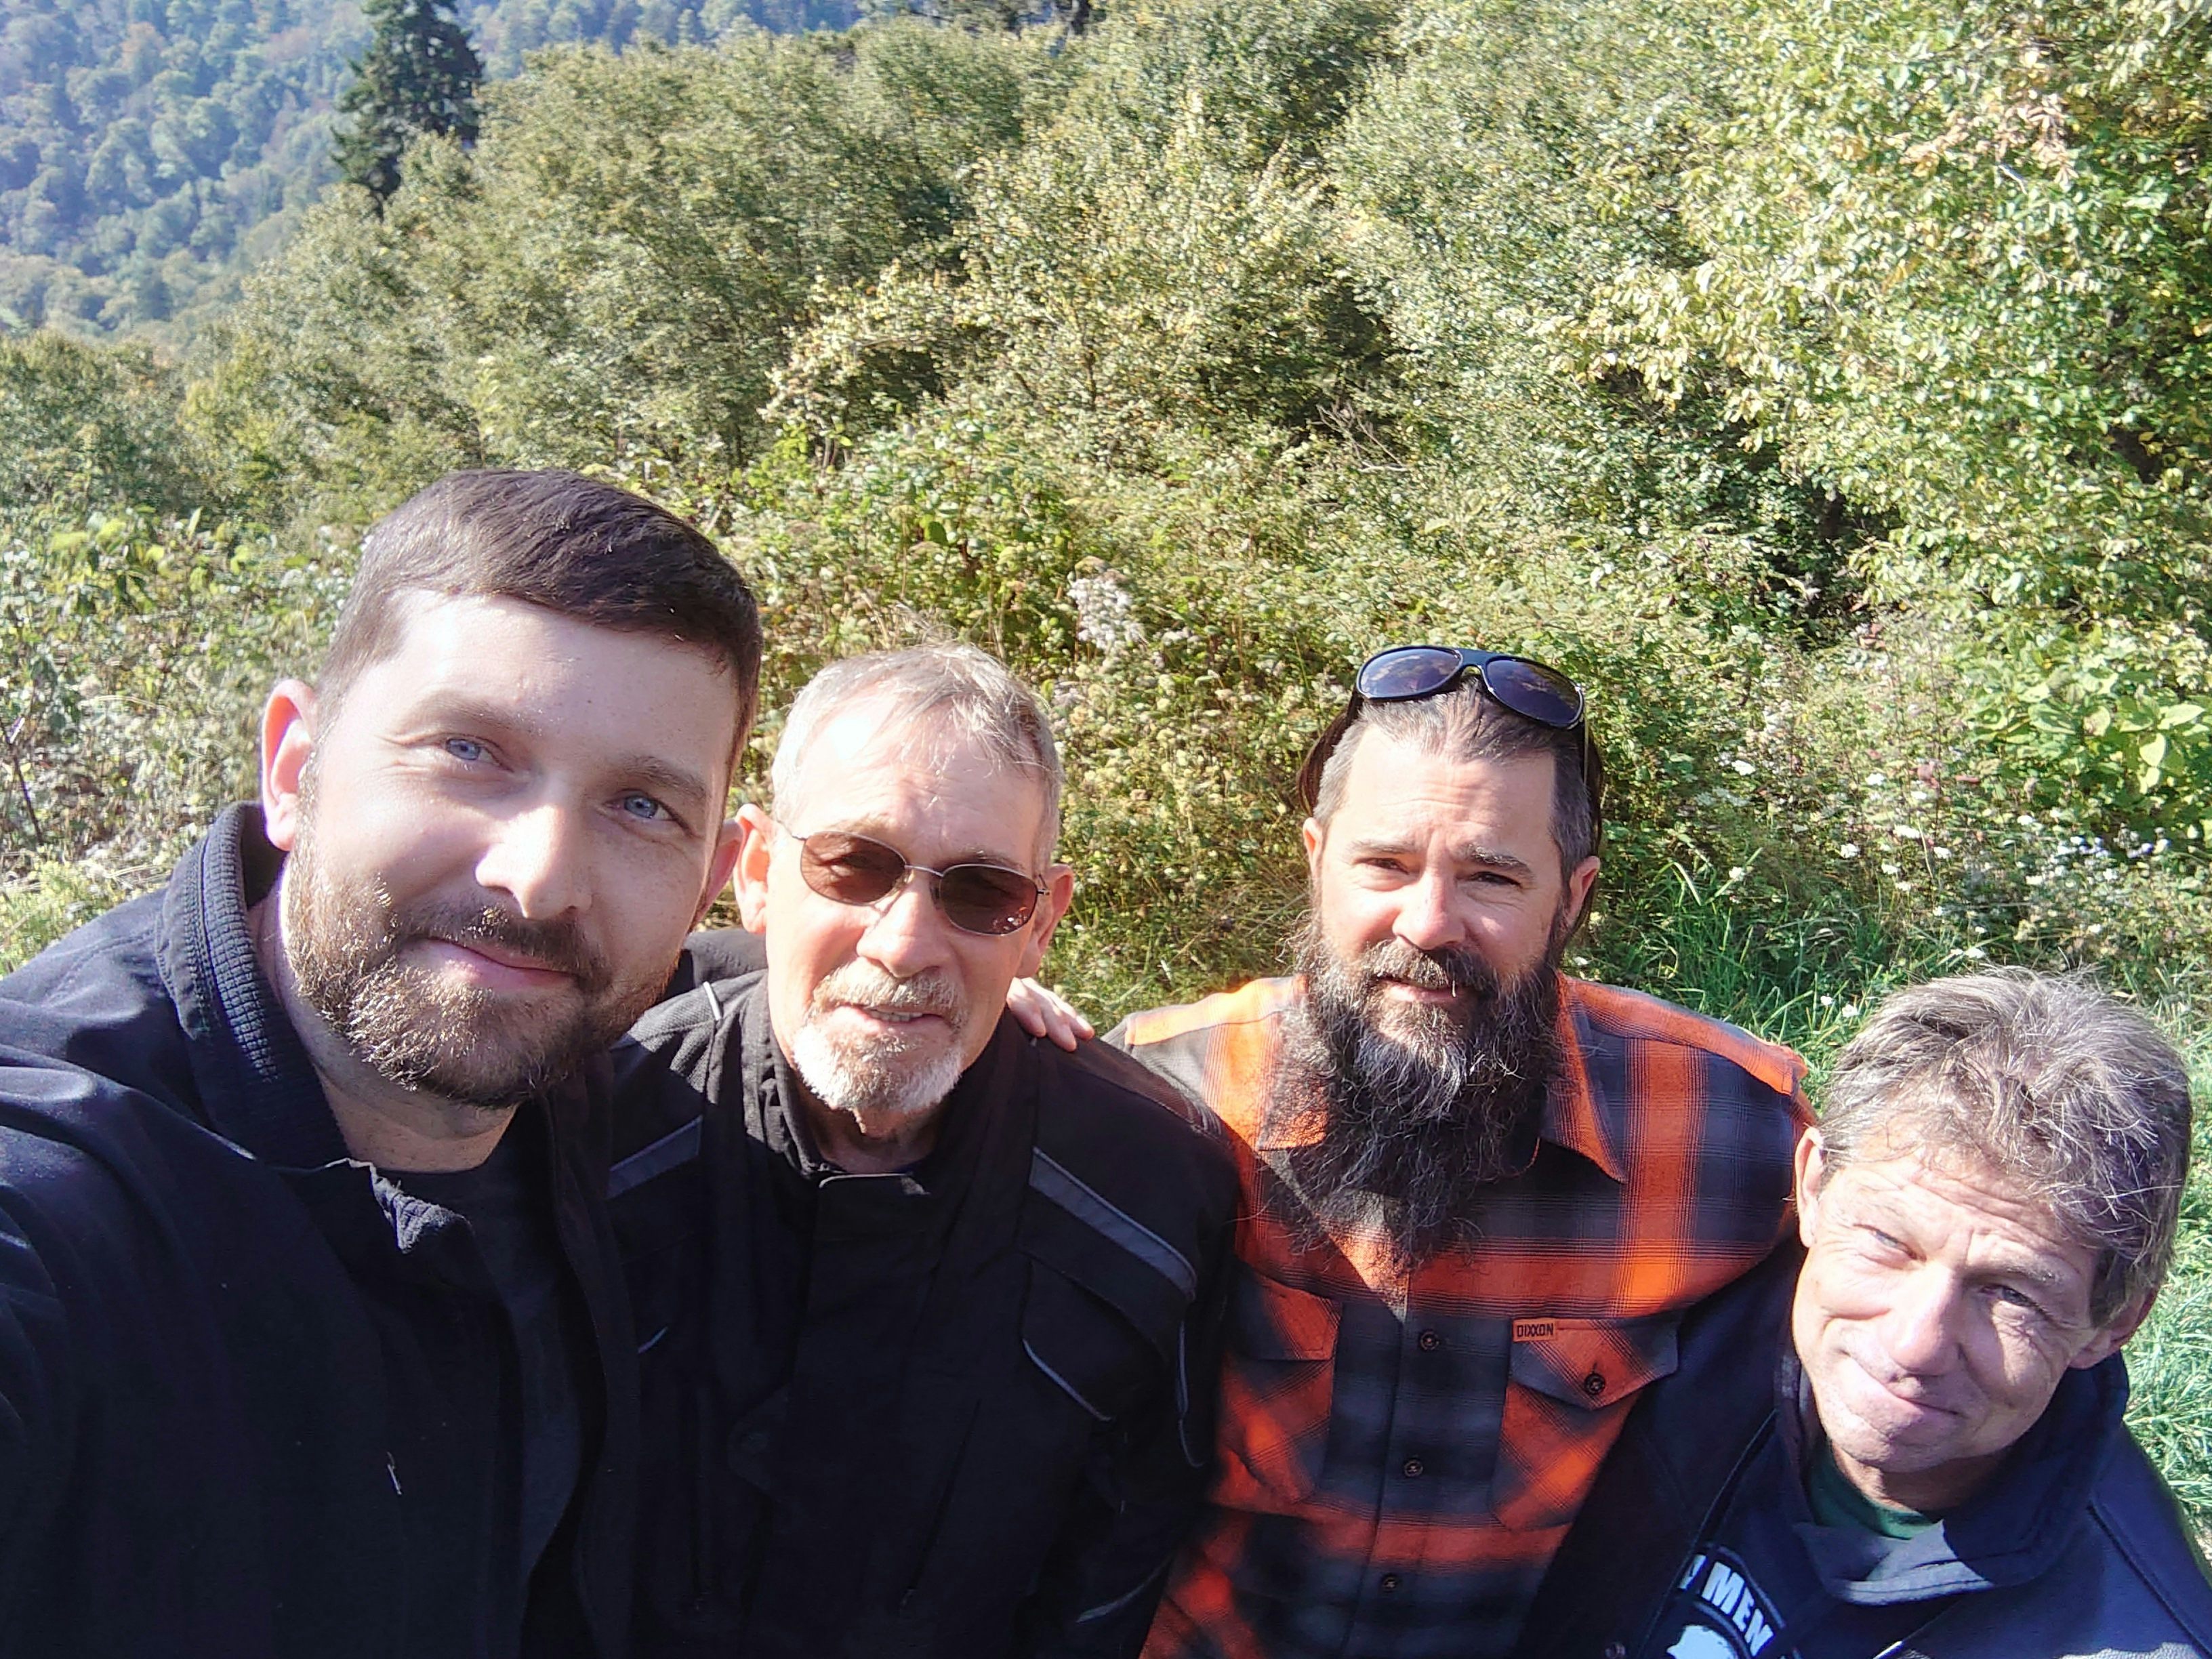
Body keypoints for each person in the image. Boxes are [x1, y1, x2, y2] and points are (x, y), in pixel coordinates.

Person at [0, 468, 762, 1658]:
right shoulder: (64, 1190)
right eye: (470, 749)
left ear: (709, 876)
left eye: (639, 806)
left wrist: (947, 990)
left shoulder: (566, 1058)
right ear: (292, 766)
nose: (539, 874)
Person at [1110, 644, 1812, 1659]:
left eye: (1491, 876)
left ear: (1572, 899)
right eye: (1384, 866)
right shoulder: (1162, 1095)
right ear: (1316, 862)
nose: (1430, 924)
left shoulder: (1734, 1131)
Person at [608, 642, 1242, 1659]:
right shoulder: (594, 1124)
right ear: (761, 872)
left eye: (981, 893)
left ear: (1038, 926)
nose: (904, 943)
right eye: (854, 865)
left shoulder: (1151, 1195)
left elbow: (1115, 1562)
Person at [1517, 970, 2212, 1659]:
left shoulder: (2128, 1634)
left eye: (2012, 1294)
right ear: (1814, 1186)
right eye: (1887, 1242)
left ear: (2116, 1321)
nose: (1915, 1344)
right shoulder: (1693, 1311)